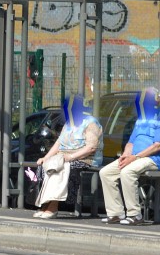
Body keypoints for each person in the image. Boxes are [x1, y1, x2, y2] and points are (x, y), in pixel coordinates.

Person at [32, 95, 101, 219]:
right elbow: (59, 143)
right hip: (63, 157)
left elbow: (91, 147)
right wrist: (46, 157)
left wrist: (71, 157)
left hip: (85, 158)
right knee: (45, 166)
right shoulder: (69, 123)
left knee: (60, 168)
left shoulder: (91, 123)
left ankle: (53, 207)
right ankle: (45, 205)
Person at [98, 87, 160, 225]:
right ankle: (115, 214)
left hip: (152, 159)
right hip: (134, 157)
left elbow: (157, 146)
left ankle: (135, 215)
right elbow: (131, 142)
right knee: (105, 172)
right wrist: (126, 155)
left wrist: (135, 157)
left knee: (127, 172)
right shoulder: (141, 119)